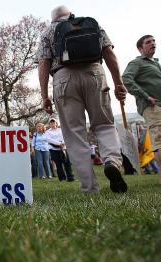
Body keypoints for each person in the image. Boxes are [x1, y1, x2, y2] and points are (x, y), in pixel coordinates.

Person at [36, 6, 128, 193]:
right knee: (104, 124)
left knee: (74, 134)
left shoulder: (48, 32)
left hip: (63, 79)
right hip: (94, 73)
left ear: (52, 20)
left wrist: (44, 96)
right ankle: (111, 161)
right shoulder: (90, 23)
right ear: (70, 15)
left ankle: (90, 187)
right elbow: (109, 53)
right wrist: (119, 83)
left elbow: (43, 63)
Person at [122, 35, 161, 184]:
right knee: (159, 138)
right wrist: (145, 96)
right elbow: (126, 78)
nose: (153, 43)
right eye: (148, 42)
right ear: (140, 48)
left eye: (154, 41)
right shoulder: (137, 62)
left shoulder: (156, 63)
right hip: (152, 106)